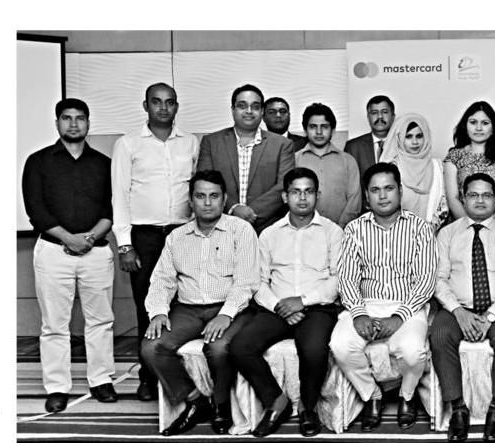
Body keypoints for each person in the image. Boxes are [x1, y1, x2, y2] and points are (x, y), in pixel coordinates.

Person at [142, 171, 259, 436]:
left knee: (218, 348)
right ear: (191, 201)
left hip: (232, 306)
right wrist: (158, 312)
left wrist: (226, 314)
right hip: (188, 308)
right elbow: (162, 280)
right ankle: (196, 401)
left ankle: (221, 407)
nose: (207, 203)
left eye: (214, 196)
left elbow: (247, 281)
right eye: (200, 196)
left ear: (224, 199)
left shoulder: (241, 230)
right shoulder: (177, 237)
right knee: (151, 347)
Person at [229, 168, 344, 437]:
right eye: (296, 192)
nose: (302, 198)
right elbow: (258, 282)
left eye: (308, 192)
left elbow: (338, 280)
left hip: (317, 307)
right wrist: (281, 306)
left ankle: (307, 407)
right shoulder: (269, 234)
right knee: (240, 347)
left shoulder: (333, 232)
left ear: (317, 195)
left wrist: (301, 301)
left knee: (313, 348)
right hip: (276, 306)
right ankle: (276, 401)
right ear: (285, 196)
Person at [21, 98, 116, 413]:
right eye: (67, 118)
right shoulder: (38, 162)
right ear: (57, 122)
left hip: (96, 251)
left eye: (80, 118)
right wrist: (68, 239)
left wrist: (88, 238)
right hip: (53, 251)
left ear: (88, 123)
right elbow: (35, 209)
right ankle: (57, 387)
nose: (73, 124)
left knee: (101, 320)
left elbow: (111, 209)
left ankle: (101, 381)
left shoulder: (104, 164)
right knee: (54, 325)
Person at [329, 162, 437, 432]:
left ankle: (407, 396)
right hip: (365, 304)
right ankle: (371, 395)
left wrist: (399, 317)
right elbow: (347, 278)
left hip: (408, 306)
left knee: (413, 352)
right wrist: (358, 313)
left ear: (400, 191)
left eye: (389, 188)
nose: (383, 195)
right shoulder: (354, 229)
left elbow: (426, 280)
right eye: (375, 190)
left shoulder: (421, 229)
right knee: (340, 345)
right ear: (367, 195)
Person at [111, 83, 200, 401]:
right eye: (157, 102)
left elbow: (196, 192)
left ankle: (179, 372)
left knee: (183, 303)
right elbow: (119, 195)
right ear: (145, 105)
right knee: (147, 307)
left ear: (177, 106)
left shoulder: (190, 142)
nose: (163, 108)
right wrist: (125, 244)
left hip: (182, 234)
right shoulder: (128, 144)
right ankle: (148, 377)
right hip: (144, 237)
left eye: (169, 102)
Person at [430, 173, 495, 443]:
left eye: (486, 195)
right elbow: (438, 279)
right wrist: (458, 312)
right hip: (457, 308)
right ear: (463, 198)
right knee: (439, 335)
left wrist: (491, 315)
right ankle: (458, 408)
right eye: (473, 195)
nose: (480, 200)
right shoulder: (447, 234)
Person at [198, 84, 295, 232]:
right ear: (233, 110)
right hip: (220, 226)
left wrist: (249, 214)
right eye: (242, 106)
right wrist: (233, 208)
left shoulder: (282, 144)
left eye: (255, 106)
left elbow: (284, 185)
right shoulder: (211, 142)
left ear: (261, 111)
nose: (249, 111)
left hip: (267, 228)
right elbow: (205, 182)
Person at [443, 101, 495, 223]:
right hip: (462, 225)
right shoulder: (454, 156)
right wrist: (470, 226)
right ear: (465, 125)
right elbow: (453, 198)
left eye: (485, 123)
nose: (478, 128)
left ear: (493, 127)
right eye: (473, 122)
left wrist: (490, 225)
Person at [293, 102, 361, 227]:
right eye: (313, 127)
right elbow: (291, 198)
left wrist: (340, 229)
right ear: (305, 131)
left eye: (324, 126)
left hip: (342, 230)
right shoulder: (294, 160)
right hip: (302, 230)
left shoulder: (348, 161)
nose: (319, 132)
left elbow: (354, 200)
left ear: (332, 130)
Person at [379, 113, 448, 225]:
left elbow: (443, 203)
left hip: (430, 231)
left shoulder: (437, 166)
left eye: (419, 136)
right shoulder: (391, 167)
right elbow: (384, 203)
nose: (415, 142)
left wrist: (428, 229)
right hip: (396, 231)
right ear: (399, 138)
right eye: (408, 136)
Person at [344, 95, 396, 176]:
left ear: (393, 116)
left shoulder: (401, 144)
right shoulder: (353, 147)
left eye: (384, 112)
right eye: (374, 113)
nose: (380, 116)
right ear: (368, 117)